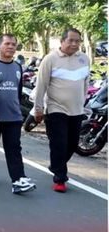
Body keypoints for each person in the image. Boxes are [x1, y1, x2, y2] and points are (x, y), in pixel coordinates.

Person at [34, 28, 90, 193]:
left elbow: (85, 83)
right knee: (59, 143)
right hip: (55, 108)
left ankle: (56, 164)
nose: (74, 44)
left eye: (77, 41)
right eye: (70, 40)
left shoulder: (84, 59)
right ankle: (60, 179)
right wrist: (38, 109)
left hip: (76, 110)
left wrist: (83, 103)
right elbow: (41, 85)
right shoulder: (50, 59)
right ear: (62, 41)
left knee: (72, 144)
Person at [0, 34, 36, 194]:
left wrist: (18, 110)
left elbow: (17, 92)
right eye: (7, 44)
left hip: (13, 117)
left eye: (13, 44)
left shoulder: (18, 67)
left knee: (14, 148)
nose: (11, 47)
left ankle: (18, 179)